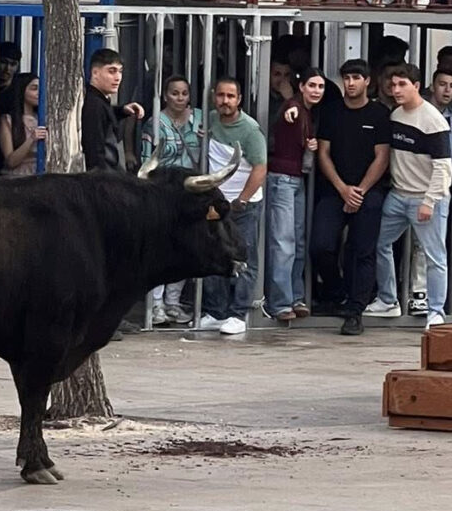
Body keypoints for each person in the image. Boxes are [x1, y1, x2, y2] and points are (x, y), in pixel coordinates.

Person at [367, 64, 452, 329]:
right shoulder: (396, 115)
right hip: (399, 194)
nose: (395, 90)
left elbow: (443, 166)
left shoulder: (433, 120)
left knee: (434, 256)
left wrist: (429, 200)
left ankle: (436, 311)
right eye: (393, 85)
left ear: (416, 86)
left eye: (402, 85)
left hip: (425, 198)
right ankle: (388, 300)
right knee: (379, 242)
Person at [313, 59, 391, 335]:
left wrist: (360, 190)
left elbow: (382, 156)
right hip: (335, 190)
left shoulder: (380, 113)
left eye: (357, 77)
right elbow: (323, 153)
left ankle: (355, 310)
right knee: (321, 245)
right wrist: (343, 188)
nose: (350, 83)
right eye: (346, 78)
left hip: (369, 192)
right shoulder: (332, 112)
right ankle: (336, 294)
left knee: (362, 251)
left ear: (368, 81)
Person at [199, 77, 267, 336]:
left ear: (239, 100)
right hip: (216, 203)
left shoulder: (250, 130)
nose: (225, 101)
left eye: (230, 96)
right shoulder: (211, 119)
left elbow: (260, 169)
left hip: (243, 205)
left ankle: (239, 314)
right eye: (221, 95)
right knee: (213, 254)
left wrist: (243, 199)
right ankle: (215, 312)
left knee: (243, 258)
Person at [138, 74, 202, 325]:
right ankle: (155, 305)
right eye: (174, 93)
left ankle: (174, 302)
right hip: (163, 192)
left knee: (186, 247)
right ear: (165, 95)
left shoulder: (199, 118)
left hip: (190, 191)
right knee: (160, 249)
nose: (180, 98)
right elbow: (147, 159)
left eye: (184, 93)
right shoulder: (155, 123)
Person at [264, 68, 325, 322]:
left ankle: (295, 296)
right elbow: (289, 113)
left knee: (296, 242)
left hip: (295, 180)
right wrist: (291, 108)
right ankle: (280, 302)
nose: (316, 91)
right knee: (284, 242)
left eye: (320, 87)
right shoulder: (295, 108)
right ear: (301, 87)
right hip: (282, 179)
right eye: (312, 85)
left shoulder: (307, 112)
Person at [81, 48, 145, 172]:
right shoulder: (94, 104)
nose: (118, 78)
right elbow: (95, 151)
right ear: (95, 73)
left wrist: (122, 110)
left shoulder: (99, 101)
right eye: (112, 71)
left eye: (120, 71)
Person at [0, 72, 45, 177]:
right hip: (16, 180)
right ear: (21, 91)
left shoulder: (44, 119)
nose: (39, 93)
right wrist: (32, 139)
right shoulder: (7, 120)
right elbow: (11, 162)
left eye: (40, 88)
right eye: (34, 88)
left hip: (42, 177)